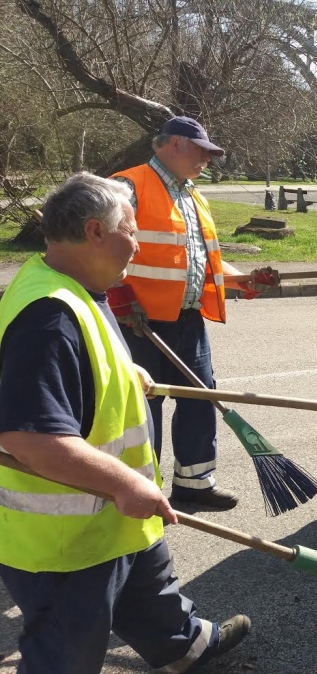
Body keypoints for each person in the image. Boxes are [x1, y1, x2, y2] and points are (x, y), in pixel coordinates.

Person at [0, 172, 250, 673]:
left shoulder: (75, 285)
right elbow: (29, 440)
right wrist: (124, 484)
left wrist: (121, 369)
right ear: (95, 231)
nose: (136, 244)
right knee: (66, 652)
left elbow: (77, 366)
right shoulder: (49, 318)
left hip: (114, 517)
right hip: (70, 540)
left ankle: (183, 647)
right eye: (130, 230)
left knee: (152, 587)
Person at [109, 116, 278, 511]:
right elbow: (99, 242)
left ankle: (194, 485)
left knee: (200, 400)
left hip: (188, 320)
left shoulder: (192, 196)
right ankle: (140, 490)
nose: (206, 160)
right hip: (138, 322)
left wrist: (244, 281)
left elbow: (203, 263)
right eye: (201, 151)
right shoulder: (130, 186)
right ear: (173, 145)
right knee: (142, 405)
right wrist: (118, 298)